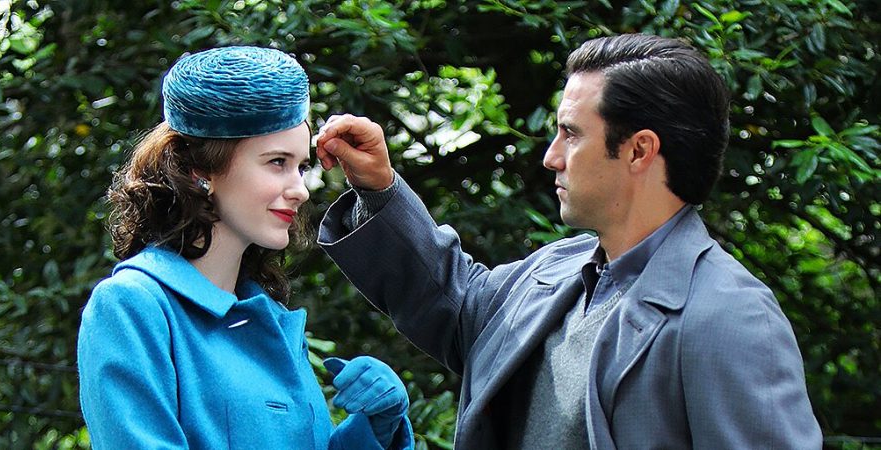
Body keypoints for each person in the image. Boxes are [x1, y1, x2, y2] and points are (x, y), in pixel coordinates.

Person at [314, 34, 822, 449]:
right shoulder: (558, 269)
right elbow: (452, 300)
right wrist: (379, 188)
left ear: (639, 150)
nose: (551, 156)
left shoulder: (730, 316)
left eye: (572, 134)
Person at [77, 46, 414, 450]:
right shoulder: (133, 306)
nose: (300, 190)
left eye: (302, 166)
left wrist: (374, 430)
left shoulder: (271, 319)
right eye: (277, 162)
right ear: (201, 172)